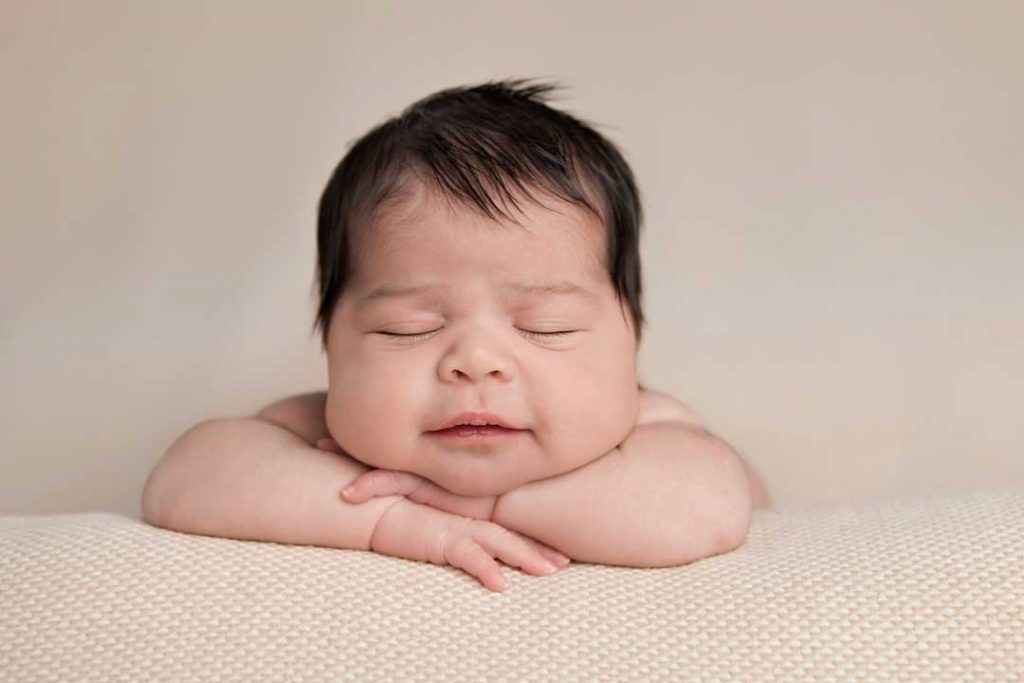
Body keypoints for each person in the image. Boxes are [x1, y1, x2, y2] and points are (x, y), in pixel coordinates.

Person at [142, 79, 769, 593]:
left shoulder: (652, 430)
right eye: (407, 328)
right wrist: (395, 520)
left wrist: (477, 504)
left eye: (544, 327)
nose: (476, 363)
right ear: (331, 345)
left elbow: (701, 511)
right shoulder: (322, 434)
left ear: (629, 339)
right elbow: (183, 481)